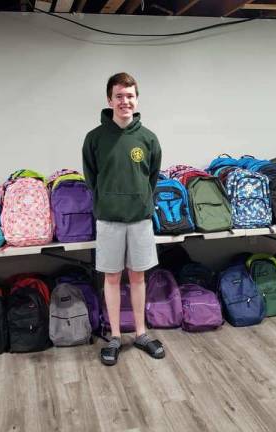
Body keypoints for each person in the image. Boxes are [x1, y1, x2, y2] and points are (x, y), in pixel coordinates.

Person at [82, 72, 164, 366]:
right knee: (113, 278)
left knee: (139, 276)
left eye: (129, 96)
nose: (124, 101)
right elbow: (91, 179)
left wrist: (140, 201)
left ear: (136, 99)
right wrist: (108, 201)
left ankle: (141, 333)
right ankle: (115, 336)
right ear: (109, 99)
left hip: (140, 219)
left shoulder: (148, 139)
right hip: (109, 220)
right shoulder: (95, 139)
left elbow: (151, 178)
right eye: (119, 96)